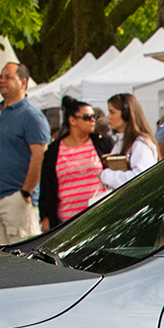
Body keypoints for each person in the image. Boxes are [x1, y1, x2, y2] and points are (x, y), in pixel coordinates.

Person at [0, 61, 49, 246]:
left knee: (24, 257)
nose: (2, 81)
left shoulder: (32, 117)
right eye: (1, 77)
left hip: (15, 198)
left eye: (8, 77)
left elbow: (39, 156)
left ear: (23, 82)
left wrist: (25, 192)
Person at [39, 97, 105, 229]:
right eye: (87, 117)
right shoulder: (54, 151)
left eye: (94, 117)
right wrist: (45, 217)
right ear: (72, 120)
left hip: (99, 217)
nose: (92, 120)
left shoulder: (102, 143)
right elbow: (46, 185)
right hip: (66, 223)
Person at [98, 93, 162, 194]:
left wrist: (106, 175)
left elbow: (141, 178)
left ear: (126, 114)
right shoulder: (121, 142)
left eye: (112, 112)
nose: (108, 117)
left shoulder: (140, 144)